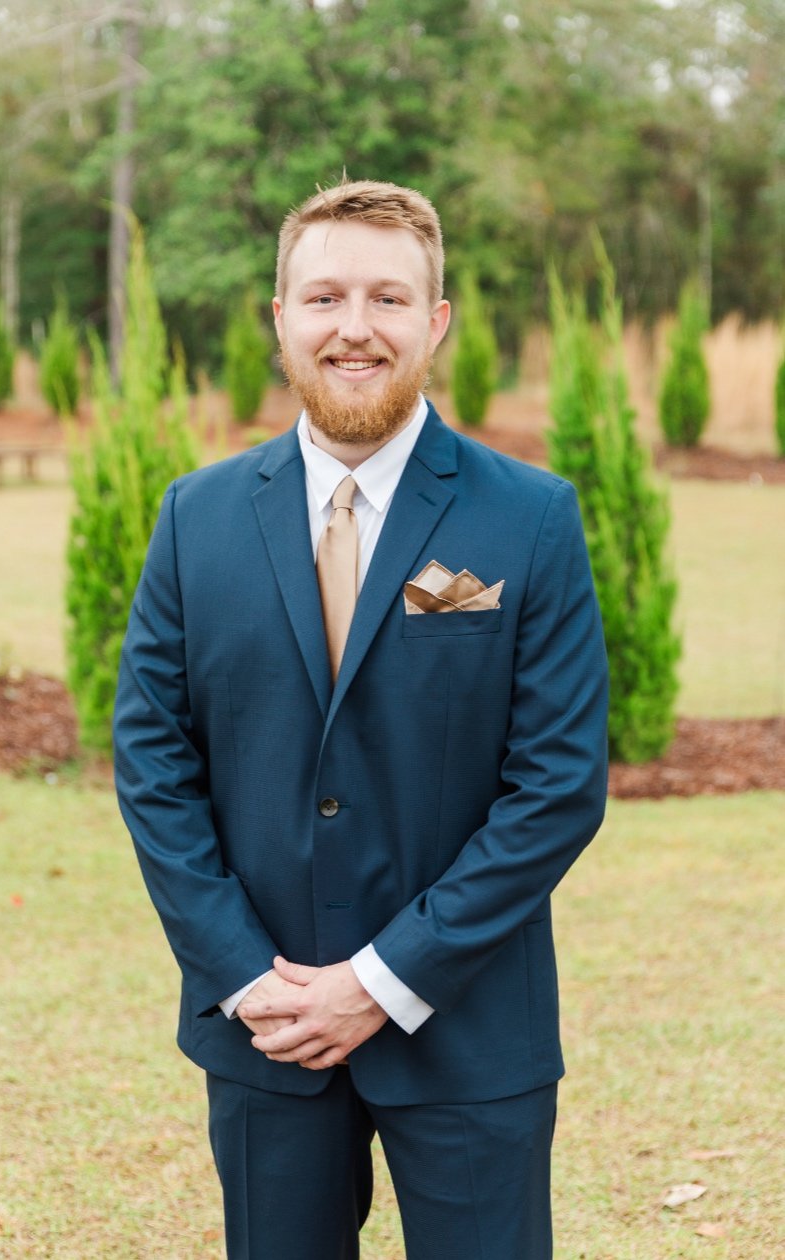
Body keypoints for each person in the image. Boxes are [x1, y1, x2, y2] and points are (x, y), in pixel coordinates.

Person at [113, 180, 609, 1259]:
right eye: (324, 296)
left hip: (470, 1033)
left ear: (434, 322)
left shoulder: (529, 519)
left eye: (388, 299)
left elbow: (559, 785)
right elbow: (153, 762)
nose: (354, 327)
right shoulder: (195, 519)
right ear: (280, 318)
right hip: (267, 1032)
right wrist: (246, 978)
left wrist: (382, 982)